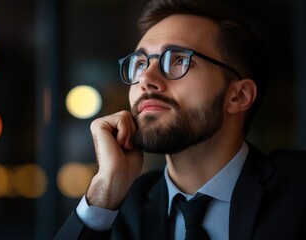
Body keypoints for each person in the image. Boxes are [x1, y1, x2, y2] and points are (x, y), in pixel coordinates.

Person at [55, 0, 306, 239]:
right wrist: (104, 189)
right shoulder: (118, 208)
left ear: (238, 96)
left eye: (179, 60)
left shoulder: (298, 188)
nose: (145, 79)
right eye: (140, 64)